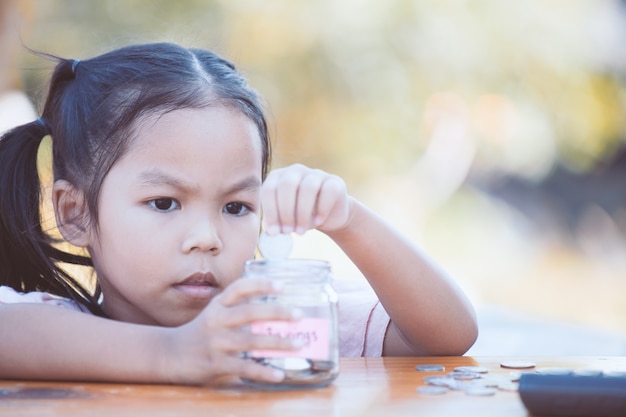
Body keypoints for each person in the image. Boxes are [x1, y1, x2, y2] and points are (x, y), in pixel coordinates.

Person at [0, 42, 477, 385]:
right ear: (74, 213)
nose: (207, 238)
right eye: (164, 203)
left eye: (236, 207)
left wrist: (348, 219)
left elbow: (447, 337)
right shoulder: (54, 328)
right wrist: (176, 354)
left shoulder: (278, 332)